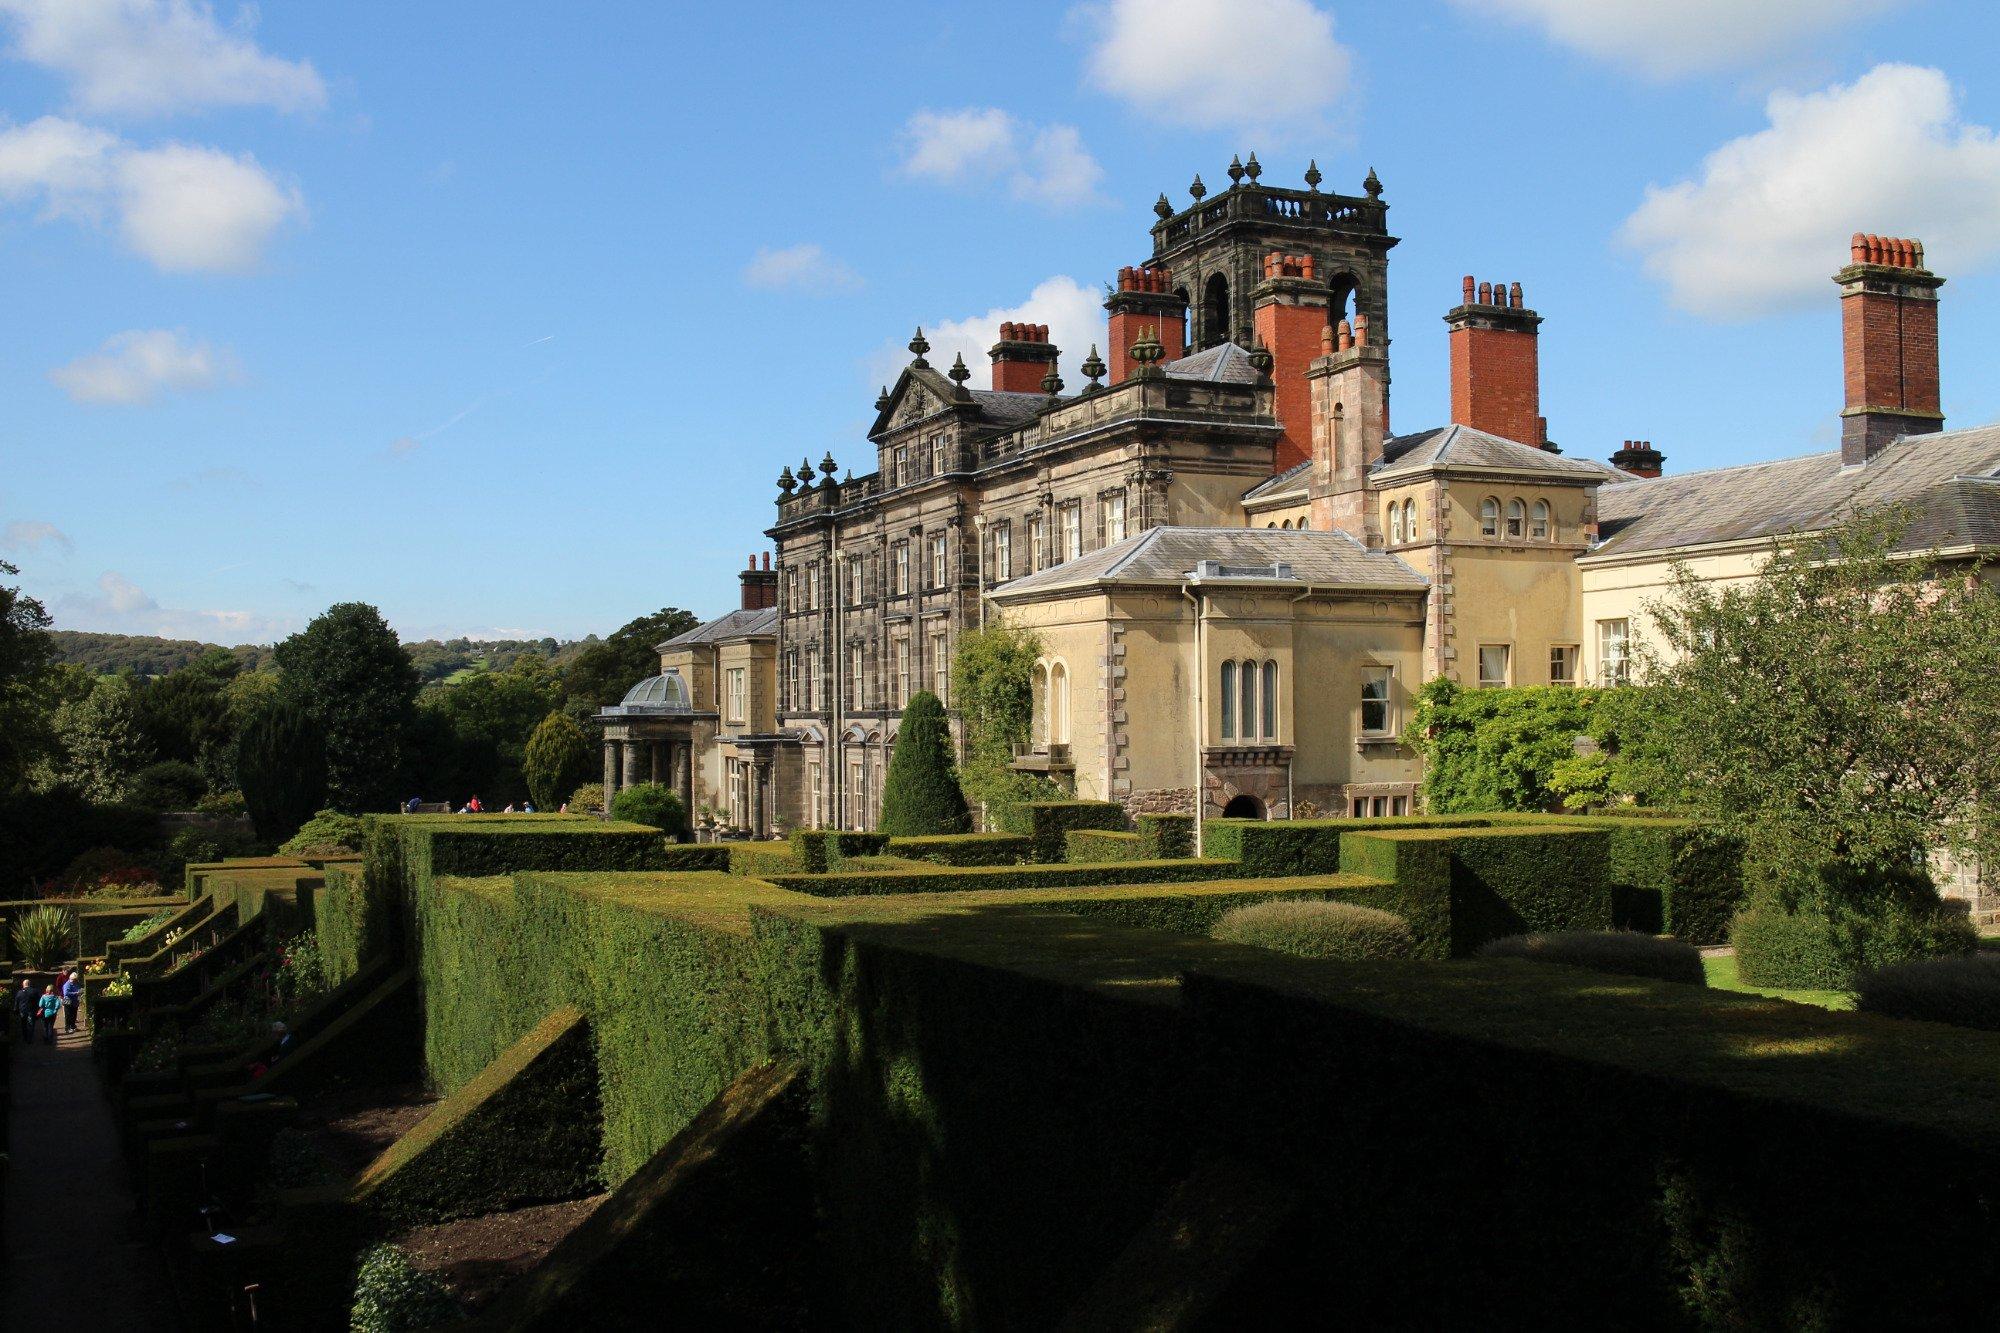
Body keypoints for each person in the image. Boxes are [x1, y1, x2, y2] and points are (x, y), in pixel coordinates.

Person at [14, 978, 34, 1043]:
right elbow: (37, 1002)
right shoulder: (33, 991)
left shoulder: (19, 993)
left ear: (23, 985)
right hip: (30, 1010)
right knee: (30, 1024)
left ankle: (25, 1037)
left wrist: (15, 1010)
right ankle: (29, 1039)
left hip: (22, 1011)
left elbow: (16, 1002)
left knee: (23, 1024)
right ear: (29, 984)